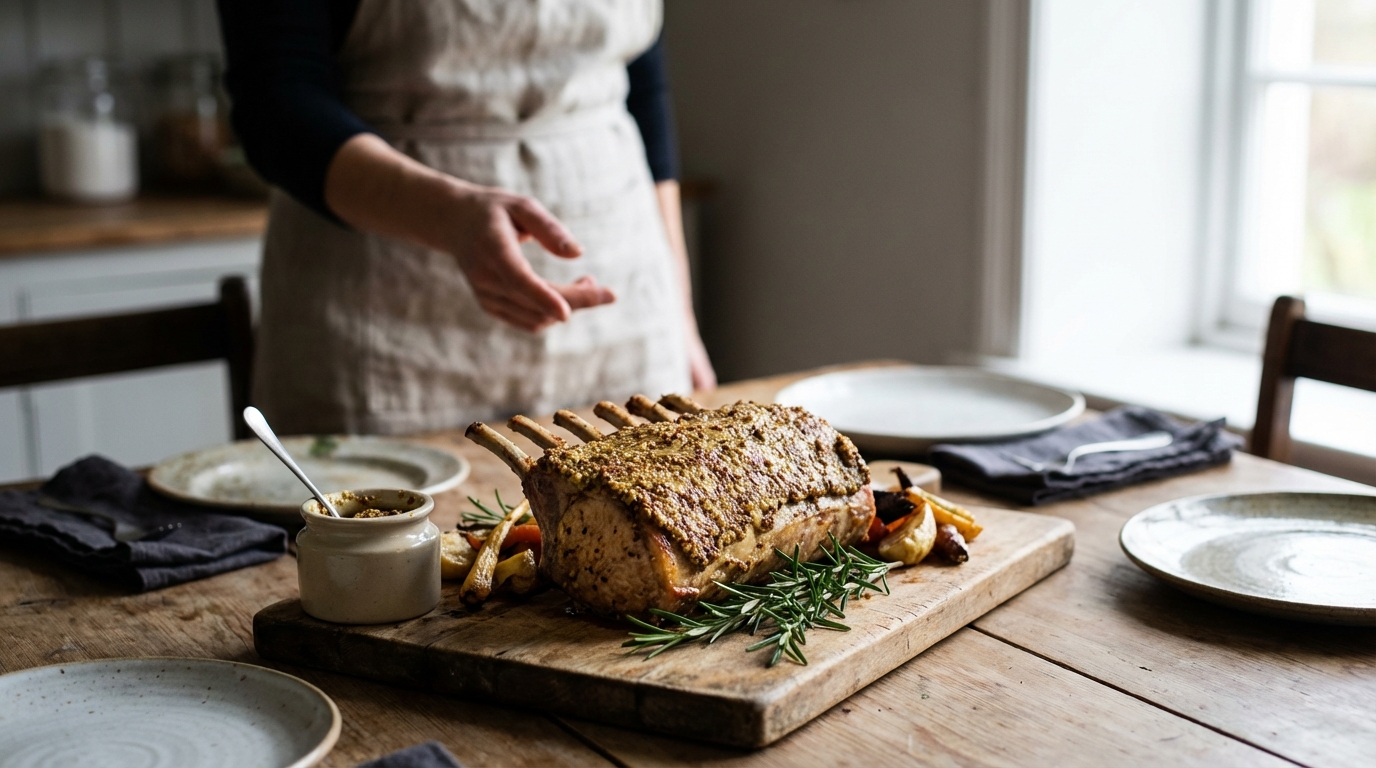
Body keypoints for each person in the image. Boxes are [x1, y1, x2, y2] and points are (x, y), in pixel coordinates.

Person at [217, 0, 715, 436]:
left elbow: (643, 84)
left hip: (621, 290)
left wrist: (679, 309)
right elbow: (276, 102)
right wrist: (449, 217)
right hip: (382, 305)